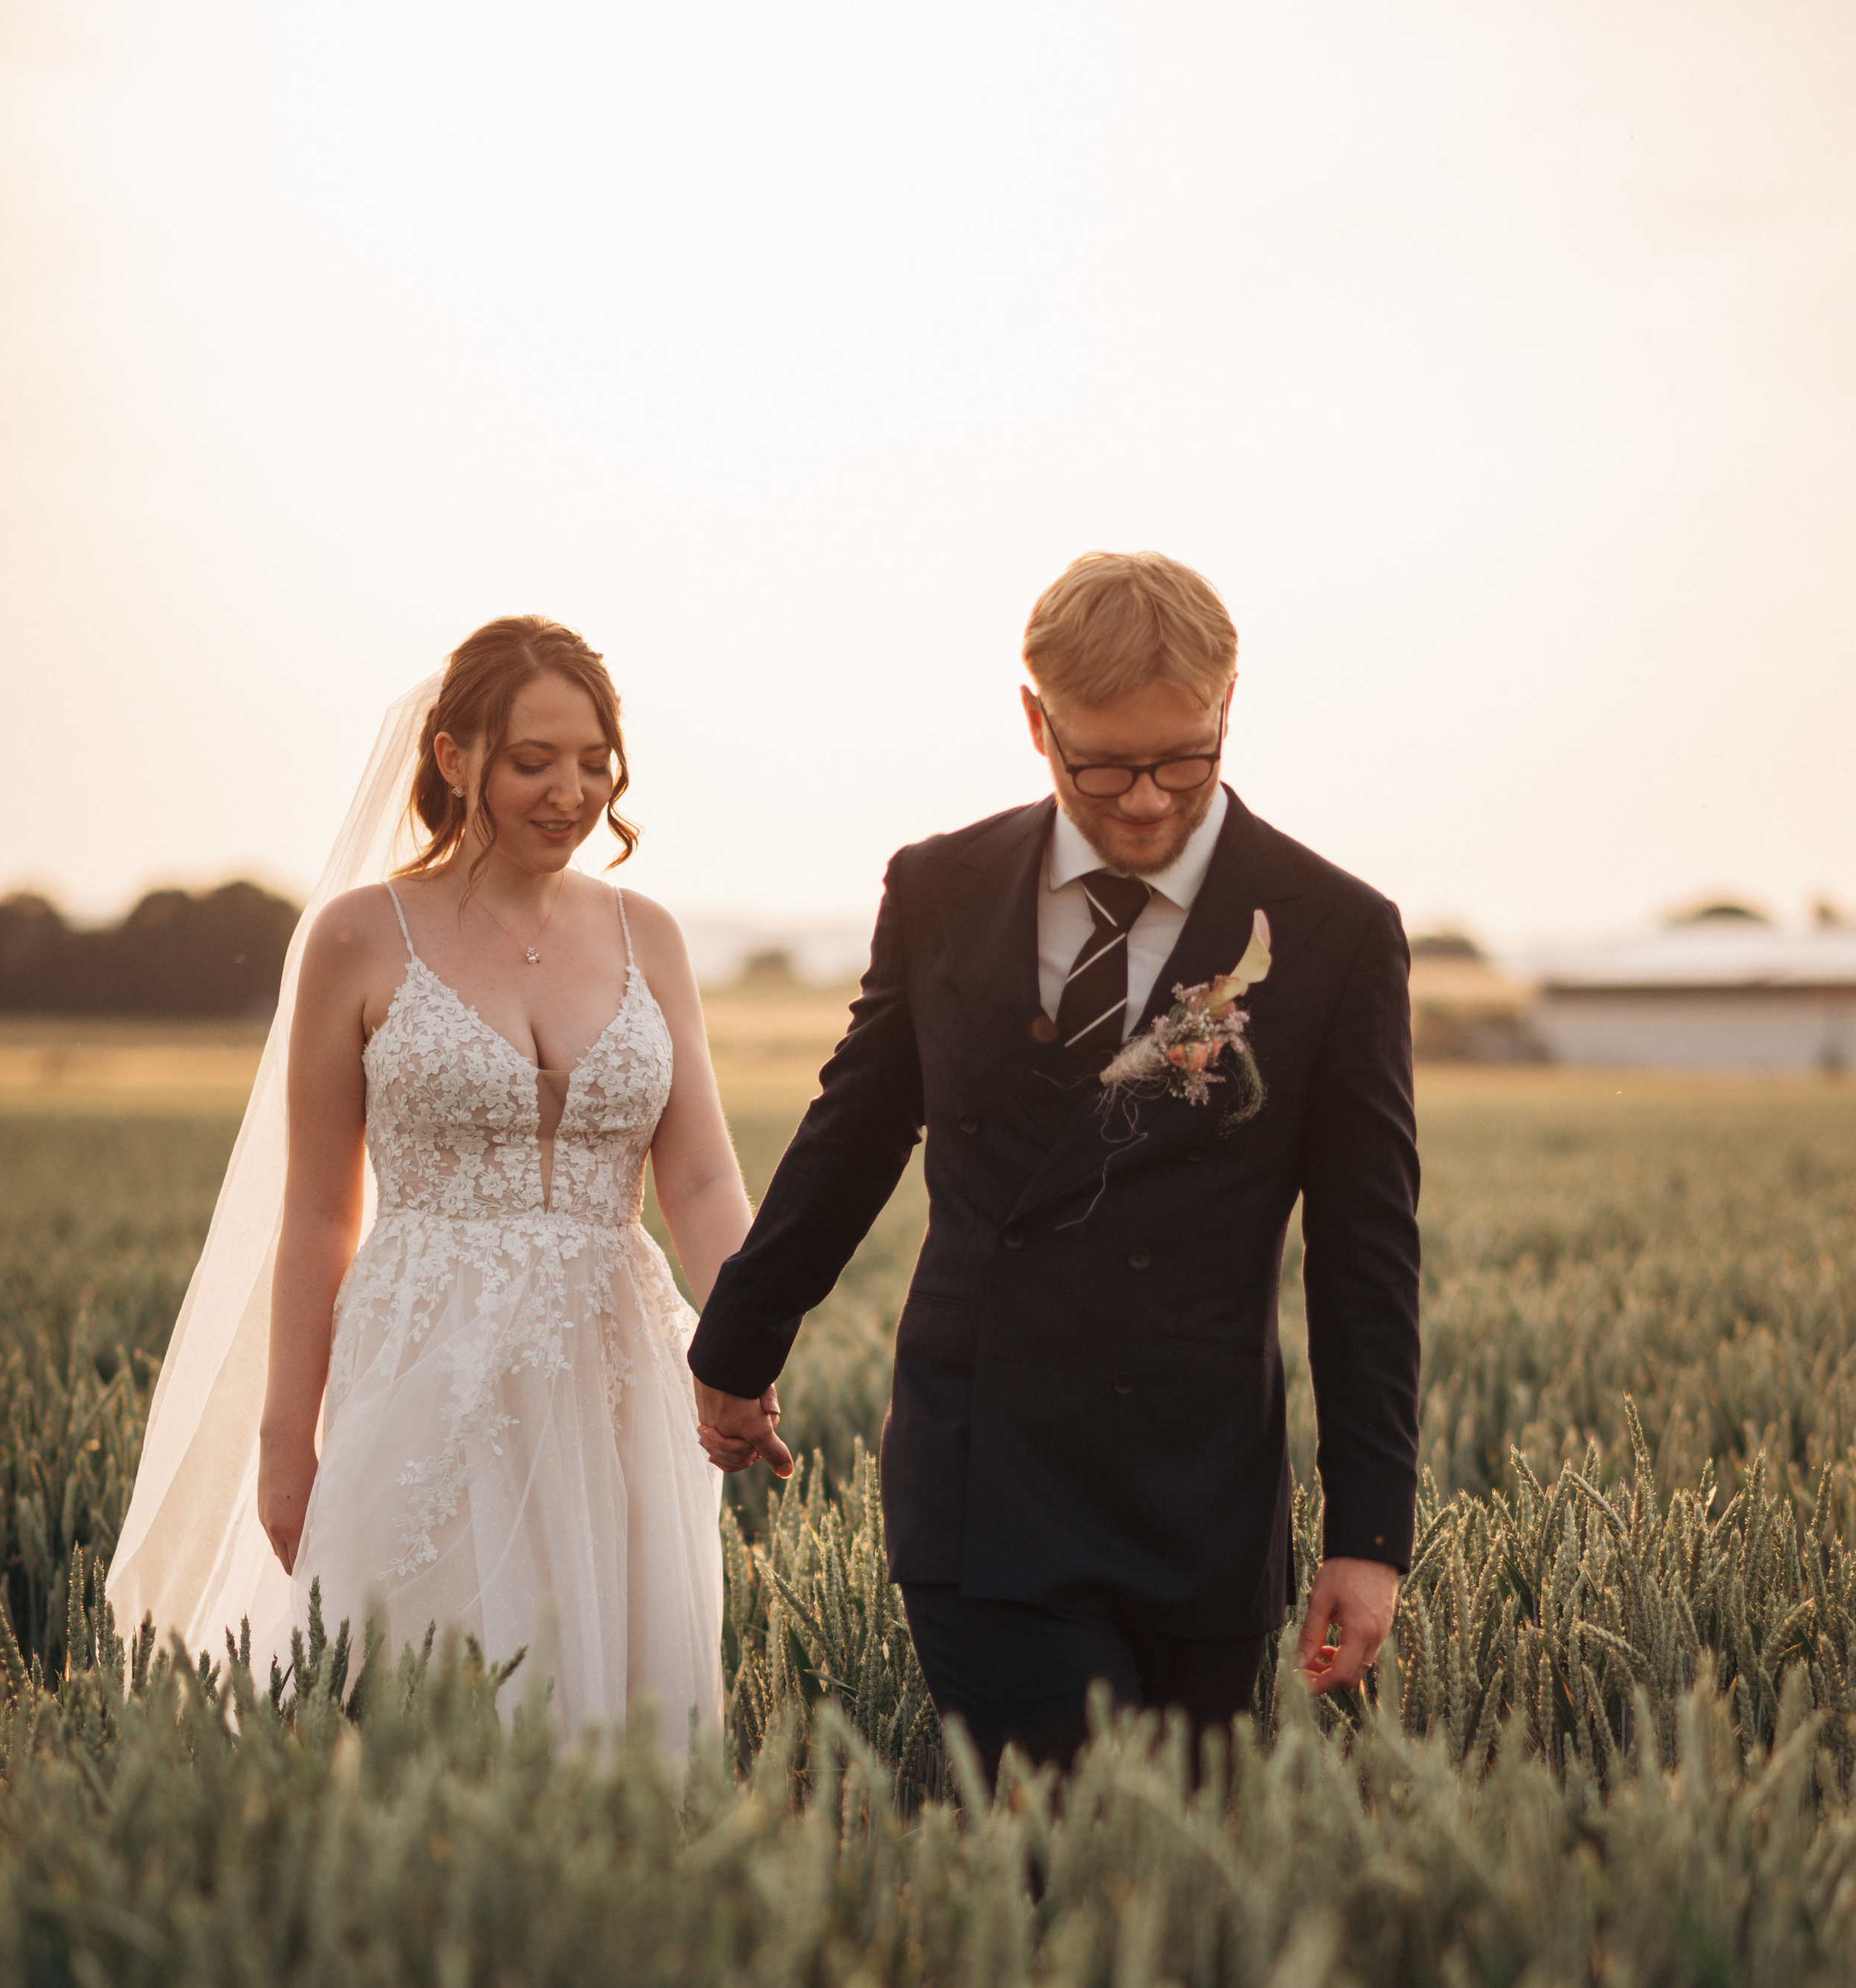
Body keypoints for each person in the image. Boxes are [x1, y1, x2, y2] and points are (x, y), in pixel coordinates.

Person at [688, 551, 1421, 1781]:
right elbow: (856, 1130)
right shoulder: (941, 887)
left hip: (1200, 1495)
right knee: (1062, 1837)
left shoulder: (1335, 930)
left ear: (1229, 708)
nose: (1145, 801)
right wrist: (737, 1347)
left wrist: (1370, 1531)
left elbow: (1368, 1251)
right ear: (1037, 721)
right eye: (1104, 765)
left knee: (1170, 1865)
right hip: (985, 1473)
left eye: (1184, 760)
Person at [109, 618, 740, 1753]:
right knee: (416, 1690)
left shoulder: (649, 935)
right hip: (424, 1358)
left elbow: (697, 1176)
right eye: (533, 761)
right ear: (454, 758)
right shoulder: (359, 937)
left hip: (618, 1364)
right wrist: (285, 1441)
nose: (571, 793)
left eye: (594, 761)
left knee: (610, 1710)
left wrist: (744, 1349)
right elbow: (318, 1209)